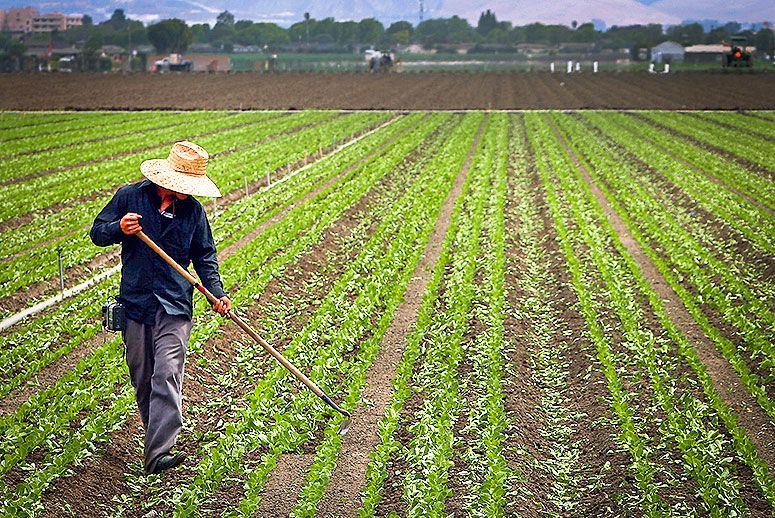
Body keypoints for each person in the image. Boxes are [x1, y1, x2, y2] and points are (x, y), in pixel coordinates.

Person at [90, 141, 231, 475]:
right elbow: (97, 232)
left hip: (175, 303)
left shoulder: (194, 212)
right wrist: (118, 229)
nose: (183, 193)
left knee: (167, 373)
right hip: (136, 301)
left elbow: (205, 256)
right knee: (143, 377)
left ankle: (158, 454)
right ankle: (155, 438)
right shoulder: (130, 197)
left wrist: (217, 293)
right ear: (164, 179)